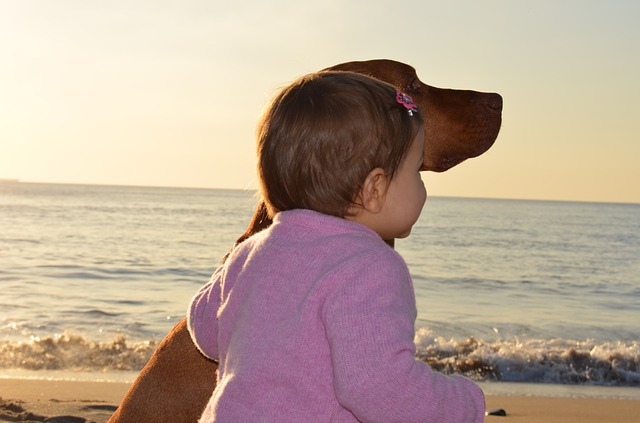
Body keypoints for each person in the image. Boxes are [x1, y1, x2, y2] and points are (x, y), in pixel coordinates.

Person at [187, 71, 485, 422]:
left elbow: (205, 327)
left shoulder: (253, 252)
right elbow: (379, 387)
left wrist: (232, 271)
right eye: (416, 170)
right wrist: (465, 403)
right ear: (375, 188)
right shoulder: (369, 266)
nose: (421, 186)